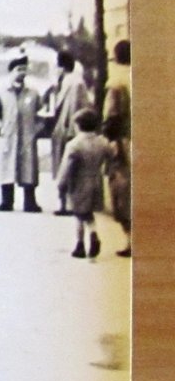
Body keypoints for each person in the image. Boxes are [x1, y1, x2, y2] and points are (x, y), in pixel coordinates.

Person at [0, 54, 44, 212]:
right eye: (18, 69)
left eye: (24, 69)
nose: (21, 73)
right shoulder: (1, 92)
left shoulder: (32, 93)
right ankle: (7, 201)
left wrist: (36, 129)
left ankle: (30, 202)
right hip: (10, 136)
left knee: (28, 169)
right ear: (11, 72)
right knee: (8, 168)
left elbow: (42, 113)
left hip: (27, 137)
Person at [55, 107, 109, 258]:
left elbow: (67, 168)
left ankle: (80, 245)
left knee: (79, 214)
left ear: (78, 125)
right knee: (89, 214)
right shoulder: (102, 142)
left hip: (79, 183)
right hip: (96, 181)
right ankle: (93, 233)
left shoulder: (74, 145)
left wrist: (61, 185)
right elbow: (111, 156)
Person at [49, 51, 91, 215]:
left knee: (68, 168)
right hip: (62, 129)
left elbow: (74, 108)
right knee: (63, 167)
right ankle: (65, 203)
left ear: (62, 66)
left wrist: (71, 129)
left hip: (69, 130)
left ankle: (68, 204)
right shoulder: (65, 81)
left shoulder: (74, 83)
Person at [102, 39, 132, 256]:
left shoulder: (116, 83)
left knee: (122, 191)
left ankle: (131, 241)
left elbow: (112, 117)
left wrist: (110, 141)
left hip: (124, 143)